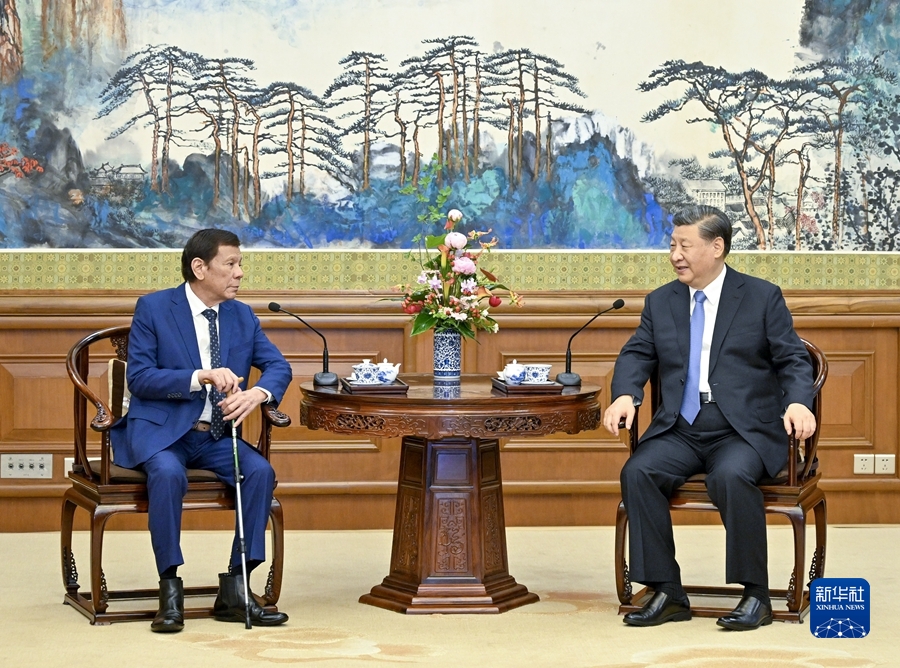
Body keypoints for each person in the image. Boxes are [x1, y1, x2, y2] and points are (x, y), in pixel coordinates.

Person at [602, 205, 816, 631]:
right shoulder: (661, 301)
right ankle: (667, 591)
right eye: (672, 245)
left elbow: (793, 358)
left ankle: (756, 595)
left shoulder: (760, 296)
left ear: (717, 247)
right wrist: (626, 394)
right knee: (639, 471)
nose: (675, 254)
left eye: (685, 245)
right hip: (680, 428)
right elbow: (637, 353)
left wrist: (798, 402)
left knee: (730, 477)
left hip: (740, 429)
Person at [111, 228, 292, 633]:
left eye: (240, 264)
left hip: (215, 435)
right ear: (199, 267)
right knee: (168, 474)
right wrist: (200, 376)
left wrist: (258, 394)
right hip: (164, 433)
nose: (239, 273)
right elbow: (139, 378)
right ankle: (170, 587)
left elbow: (279, 366)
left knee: (260, 471)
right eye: (230, 264)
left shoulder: (242, 315)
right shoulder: (155, 308)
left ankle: (235, 587)